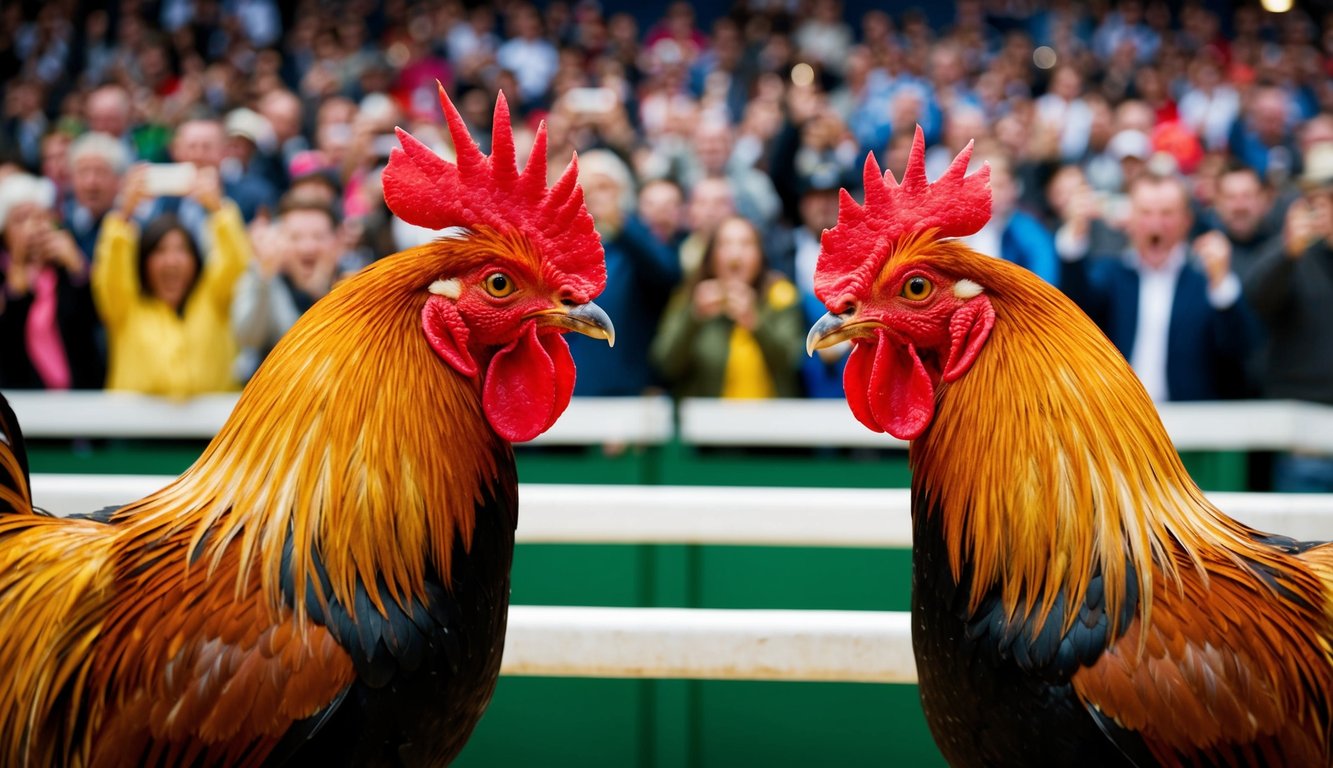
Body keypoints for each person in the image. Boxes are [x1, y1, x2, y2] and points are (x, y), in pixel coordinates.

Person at [1057, 171, 1255, 402]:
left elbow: (1238, 351)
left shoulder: (1205, 281)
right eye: (1146, 213)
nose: (1156, 223)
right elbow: (1074, 314)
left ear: (1186, 221)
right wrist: (1074, 237)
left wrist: (1222, 285)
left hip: (1192, 422)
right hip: (1121, 420)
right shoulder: (1111, 276)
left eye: (1167, 213)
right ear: (1129, 219)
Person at [91, 163, 250, 396]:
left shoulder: (214, 300)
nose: (171, 261)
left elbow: (235, 264)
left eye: (181, 250)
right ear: (144, 262)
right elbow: (110, 272)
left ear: (196, 260)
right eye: (160, 251)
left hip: (212, 429)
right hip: (134, 429)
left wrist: (218, 208)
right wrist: (123, 214)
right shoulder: (125, 307)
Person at [1243, 142, 1333, 491]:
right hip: (1302, 436)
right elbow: (1255, 297)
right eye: (1317, 198)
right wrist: (1288, 251)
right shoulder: (1289, 254)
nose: (1323, 209)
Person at [566, 149, 681, 396]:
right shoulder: (560, 247)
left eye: (604, 187)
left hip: (624, 389)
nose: (595, 197)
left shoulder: (638, 241)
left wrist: (619, 221)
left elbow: (668, 274)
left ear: (623, 192)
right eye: (586, 188)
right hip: (569, 388)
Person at [651, 215, 805, 399]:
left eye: (746, 244)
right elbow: (665, 364)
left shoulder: (781, 295)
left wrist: (756, 323)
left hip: (770, 420)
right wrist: (693, 317)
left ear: (760, 255)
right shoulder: (689, 296)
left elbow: (793, 362)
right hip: (707, 421)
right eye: (725, 244)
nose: (735, 254)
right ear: (711, 255)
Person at [0, 173, 105, 389]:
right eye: (21, 219)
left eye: (39, 217)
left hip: (79, 398)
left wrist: (77, 268)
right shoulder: (5, 276)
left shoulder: (66, 270)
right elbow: (9, 344)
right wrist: (17, 280)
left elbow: (93, 323)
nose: (33, 228)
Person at [231, 196, 342, 383]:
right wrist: (262, 276)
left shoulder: (354, 284)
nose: (308, 247)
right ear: (279, 241)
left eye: (318, 237)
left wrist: (323, 295)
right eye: (295, 237)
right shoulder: (263, 279)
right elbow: (247, 337)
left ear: (336, 242)